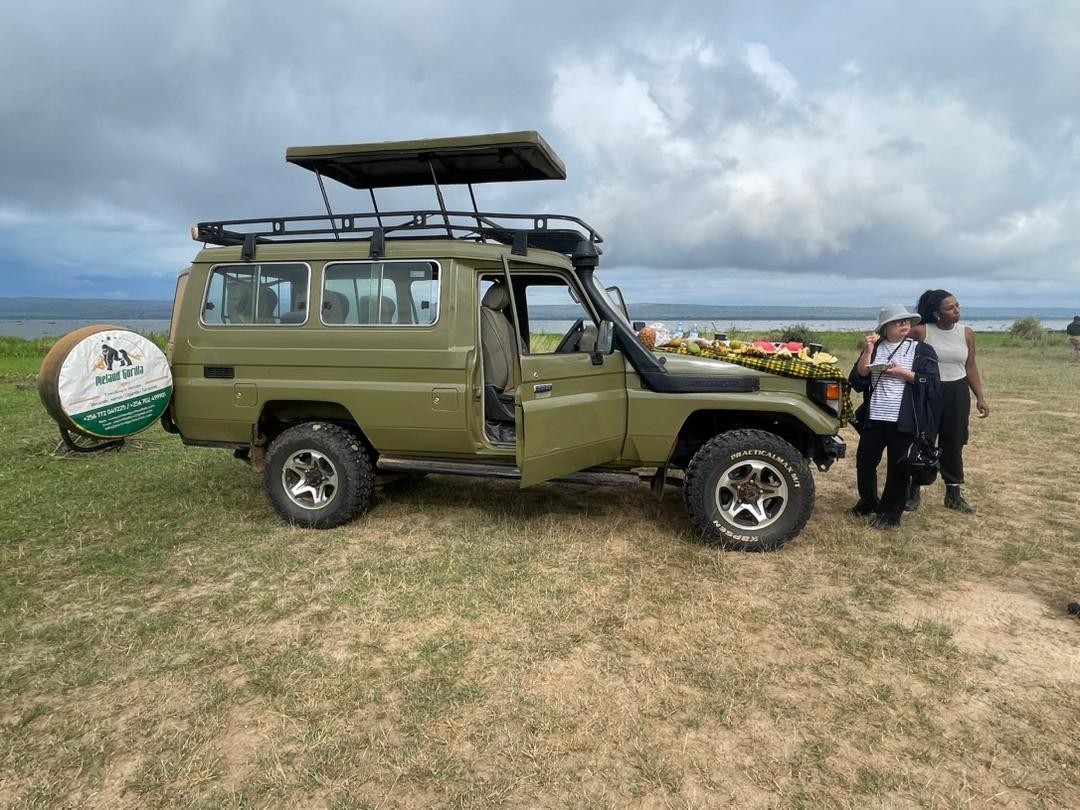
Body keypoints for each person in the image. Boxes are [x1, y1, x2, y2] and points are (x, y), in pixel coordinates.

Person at [849, 304, 941, 529]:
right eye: (898, 321)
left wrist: (904, 374)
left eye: (907, 321)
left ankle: (890, 514)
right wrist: (868, 351)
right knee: (865, 462)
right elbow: (857, 380)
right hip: (875, 417)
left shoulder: (921, 350)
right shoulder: (876, 347)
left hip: (904, 420)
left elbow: (931, 384)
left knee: (898, 468)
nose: (904, 324)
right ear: (885, 327)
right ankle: (868, 502)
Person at [908, 290, 989, 513]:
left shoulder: (967, 333)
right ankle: (913, 492)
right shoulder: (921, 332)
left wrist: (979, 397)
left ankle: (953, 494)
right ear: (936, 313)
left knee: (954, 441)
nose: (957, 310)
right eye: (950, 308)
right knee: (923, 440)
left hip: (958, 391)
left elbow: (970, 366)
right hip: (929, 391)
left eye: (957, 305)